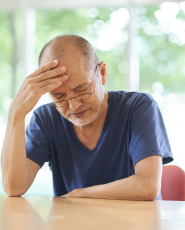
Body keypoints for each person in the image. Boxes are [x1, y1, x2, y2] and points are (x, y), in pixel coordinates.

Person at [1, 35, 173, 200]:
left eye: (81, 89)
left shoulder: (138, 107)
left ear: (102, 73)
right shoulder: (46, 119)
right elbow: (14, 187)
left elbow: (148, 185)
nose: (74, 106)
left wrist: (79, 194)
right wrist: (16, 113)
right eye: (59, 96)